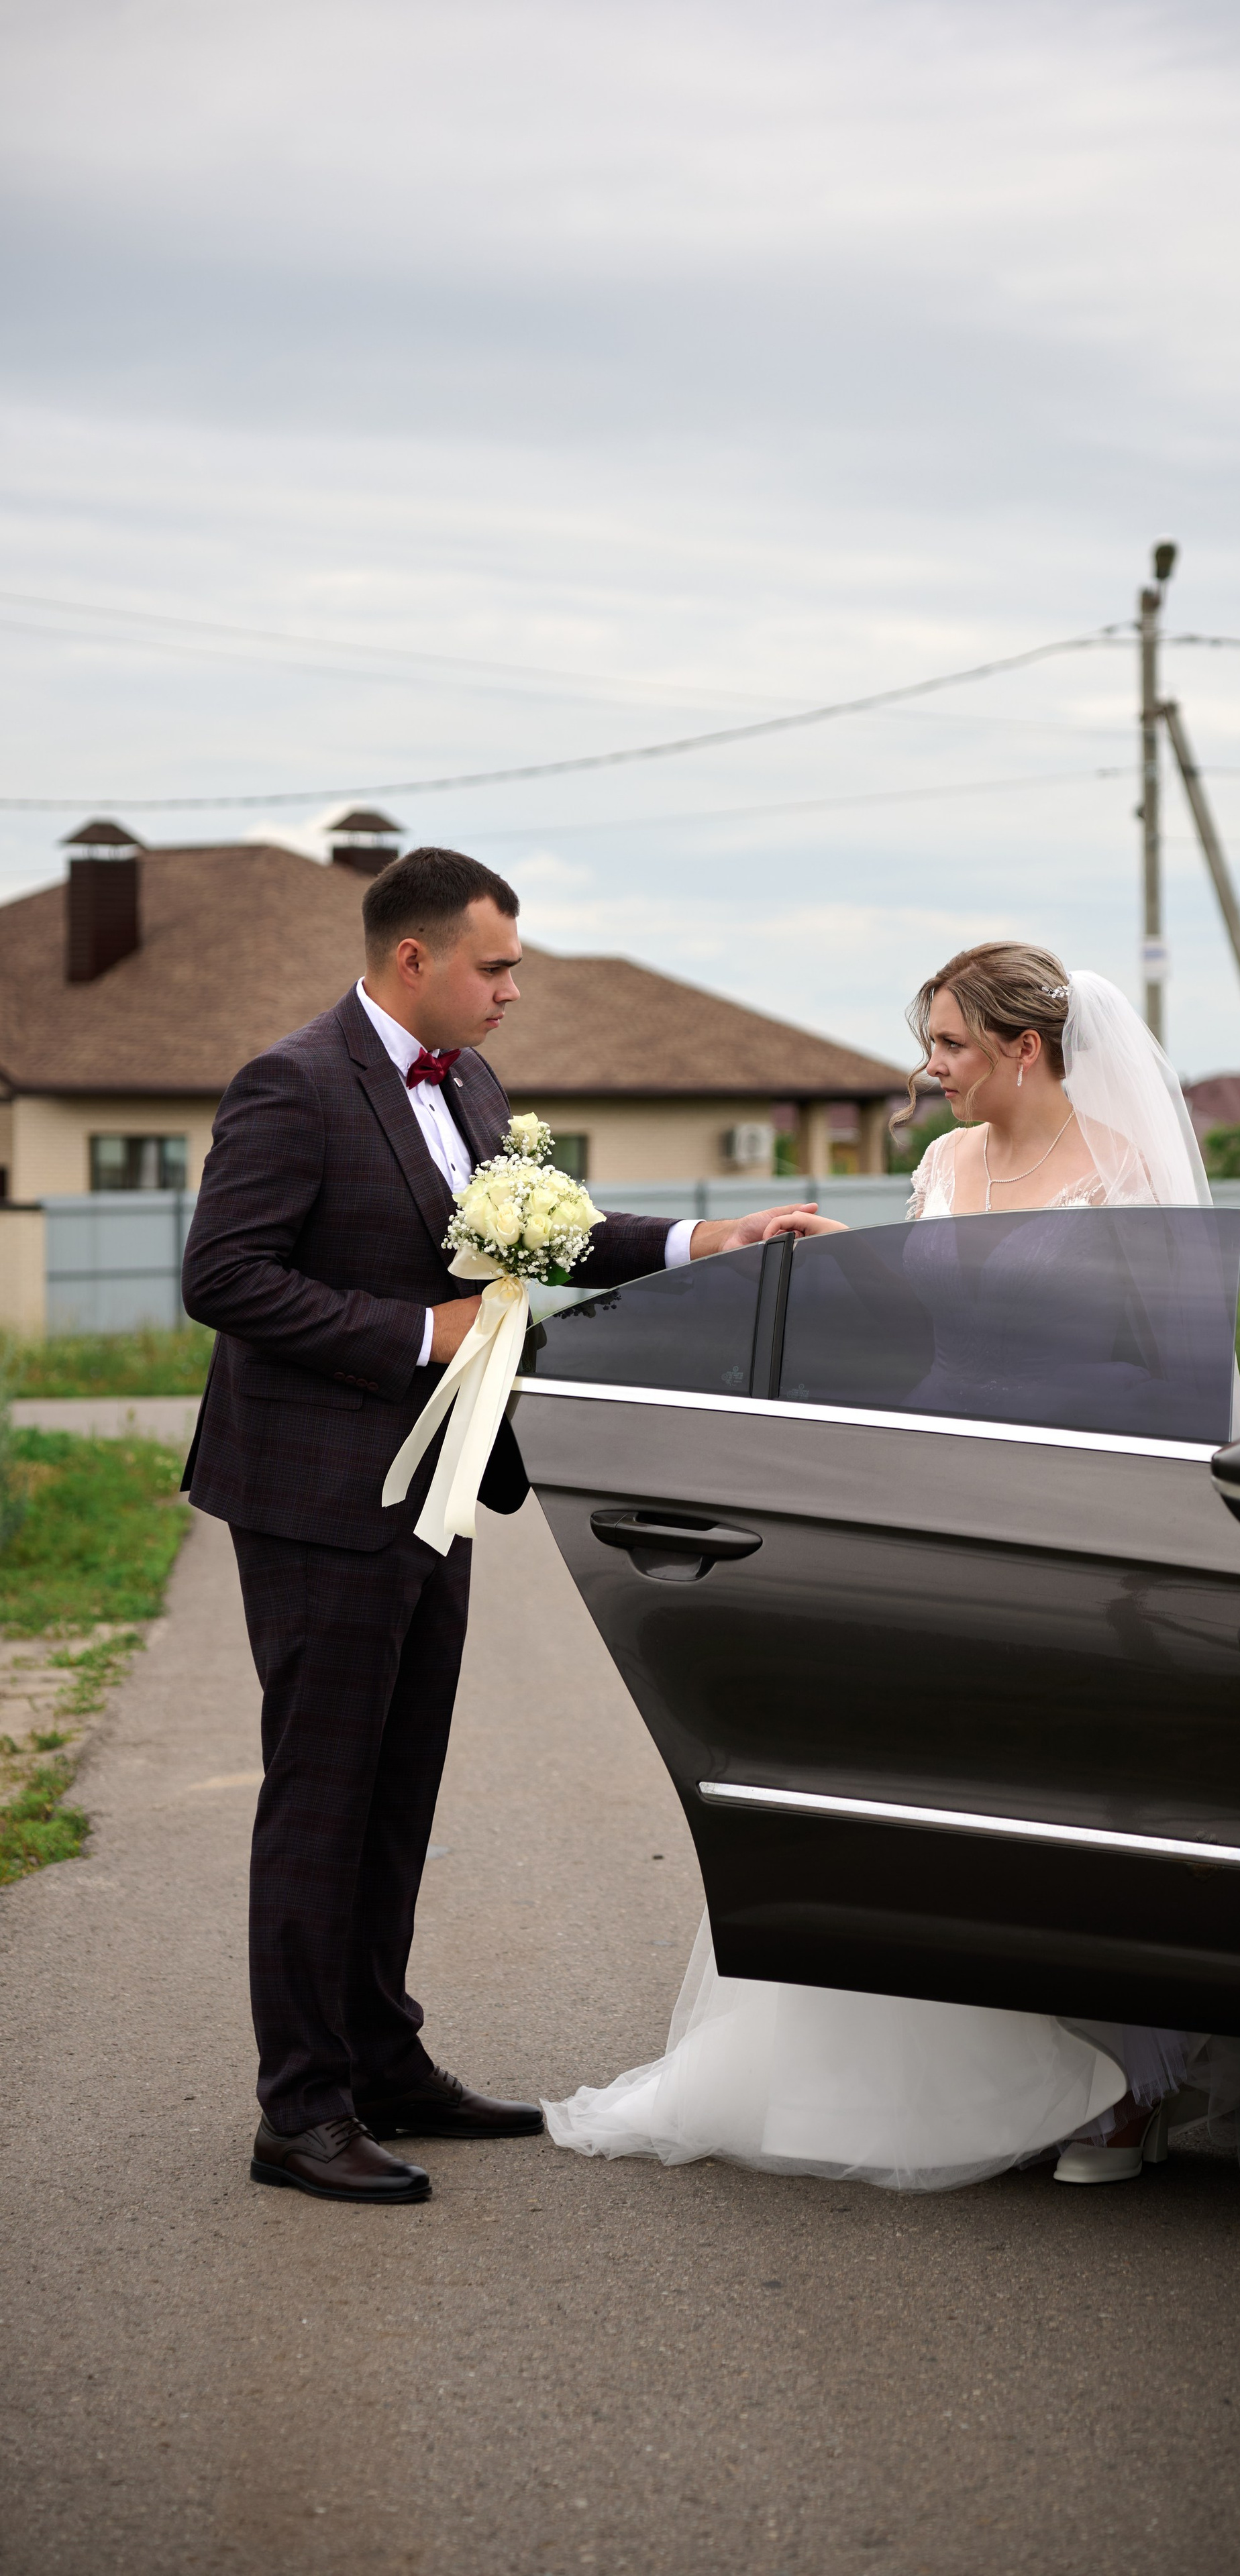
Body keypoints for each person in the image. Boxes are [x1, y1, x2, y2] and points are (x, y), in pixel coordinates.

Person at [544, 943, 1240, 2191]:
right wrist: (841, 1272)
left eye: (951, 1045)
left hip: (1071, 1519)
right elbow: (913, 1330)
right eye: (931, 1043)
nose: (930, 1068)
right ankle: (901, 2076)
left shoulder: (1129, 1176)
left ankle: (1118, 2088)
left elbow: (1179, 1373)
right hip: (928, 1510)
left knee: (1067, 1786)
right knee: (913, 1773)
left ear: (1024, 1047)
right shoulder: (942, 1165)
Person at [180, 845, 823, 2207]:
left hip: (442, 1485)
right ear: (414, 958)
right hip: (313, 1498)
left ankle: (380, 2058)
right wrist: (424, 1329)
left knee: (397, 1789)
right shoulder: (291, 1086)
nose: (513, 991)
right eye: (496, 965)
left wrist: (708, 1241)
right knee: (321, 1801)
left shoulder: (467, 1084)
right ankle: (297, 2112)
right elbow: (224, 1277)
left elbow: (543, 1235)